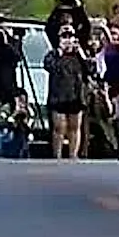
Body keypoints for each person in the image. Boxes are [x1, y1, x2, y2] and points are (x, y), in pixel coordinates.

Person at [45, 25, 89, 160]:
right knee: (59, 127)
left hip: (76, 95)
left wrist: (81, 53)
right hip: (58, 95)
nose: (68, 39)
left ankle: (73, 155)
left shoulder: (79, 56)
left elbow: (91, 70)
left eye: (70, 36)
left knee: (75, 127)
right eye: (64, 36)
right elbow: (49, 66)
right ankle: (57, 155)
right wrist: (60, 51)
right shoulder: (53, 54)